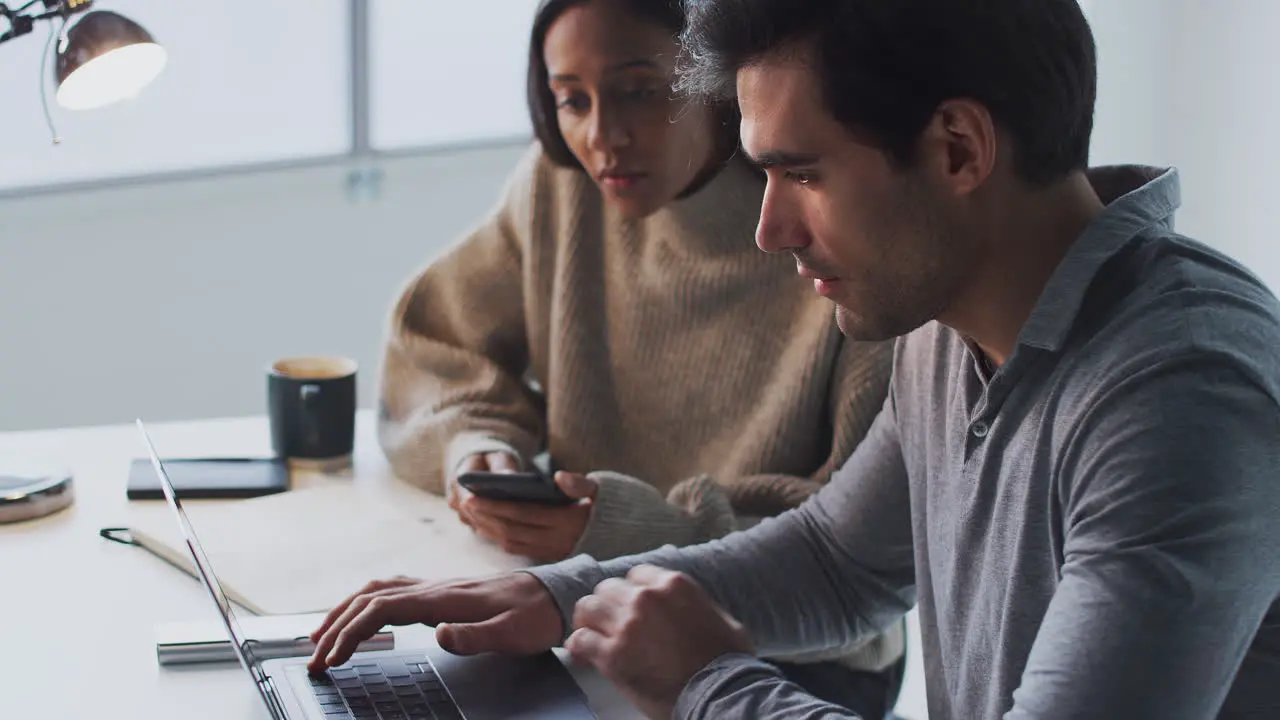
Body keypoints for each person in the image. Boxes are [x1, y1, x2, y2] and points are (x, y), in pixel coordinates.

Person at [314, 0, 1280, 717]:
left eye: (801, 173)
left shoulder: (1180, 397)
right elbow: (837, 561)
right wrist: (554, 596)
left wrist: (707, 681)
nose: (770, 229)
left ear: (957, 149)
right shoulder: (954, 319)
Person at [372, 0, 902, 714]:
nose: (602, 136)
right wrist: (481, 447)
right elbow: (433, 348)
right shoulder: (564, 185)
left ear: (718, 81)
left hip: (784, 663)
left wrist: (623, 531)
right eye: (571, 100)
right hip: (577, 611)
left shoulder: (837, 237)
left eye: (639, 90)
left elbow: (849, 554)